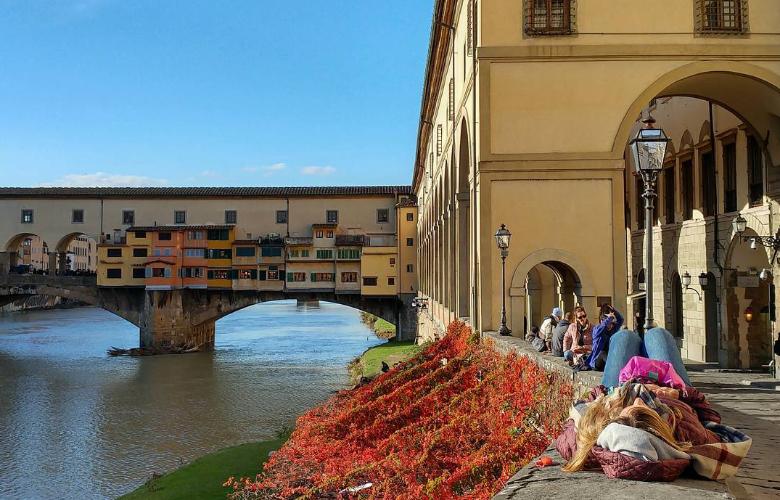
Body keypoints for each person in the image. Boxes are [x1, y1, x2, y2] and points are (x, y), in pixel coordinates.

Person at [557, 328, 752, 483]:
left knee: (623, 337)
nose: (641, 396)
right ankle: (649, 333)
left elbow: (575, 418)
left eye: (631, 405)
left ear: (614, 421)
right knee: (657, 334)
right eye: (651, 407)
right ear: (660, 426)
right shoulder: (687, 433)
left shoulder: (591, 436)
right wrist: (678, 394)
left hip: (619, 383)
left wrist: (608, 396)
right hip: (668, 381)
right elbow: (710, 415)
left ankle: (629, 336)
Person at [585, 304, 623, 371]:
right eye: (609, 323)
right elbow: (603, 325)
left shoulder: (612, 329)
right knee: (602, 353)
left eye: (612, 323)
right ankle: (616, 369)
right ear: (603, 321)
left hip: (607, 360)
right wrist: (610, 318)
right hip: (596, 362)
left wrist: (613, 311)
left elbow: (620, 320)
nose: (611, 325)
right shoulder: (597, 330)